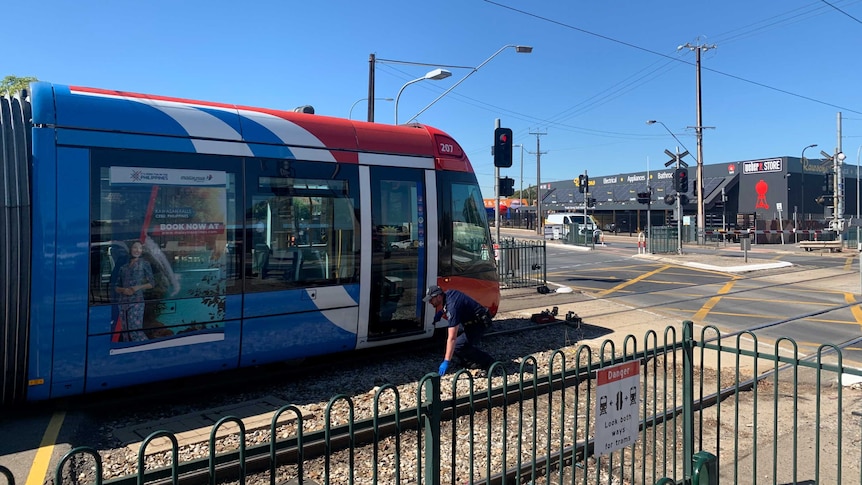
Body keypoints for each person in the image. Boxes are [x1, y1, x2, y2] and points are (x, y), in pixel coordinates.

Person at [424, 285, 494, 375]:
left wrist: (446, 361)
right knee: (451, 340)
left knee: (458, 345)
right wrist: (441, 312)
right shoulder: (448, 294)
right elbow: (452, 304)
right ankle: (467, 361)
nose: (429, 302)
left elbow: (452, 338)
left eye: (431, 300)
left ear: (438, 296)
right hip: (469, 321)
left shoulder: (452, 307)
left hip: (479, 323)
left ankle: (488, 362)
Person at [115, 240, 155, 342]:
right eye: (135, 247)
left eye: (140, 248)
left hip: (136, 301)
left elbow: (151, 283)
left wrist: (137, 288)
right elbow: (116, 286)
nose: (137, 250)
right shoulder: (123, 267)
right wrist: (123, 290)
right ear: (130, 249)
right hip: (123, 302)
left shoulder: (144, 264)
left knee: (135, 331)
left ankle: (144, 350)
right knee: (125, 332)